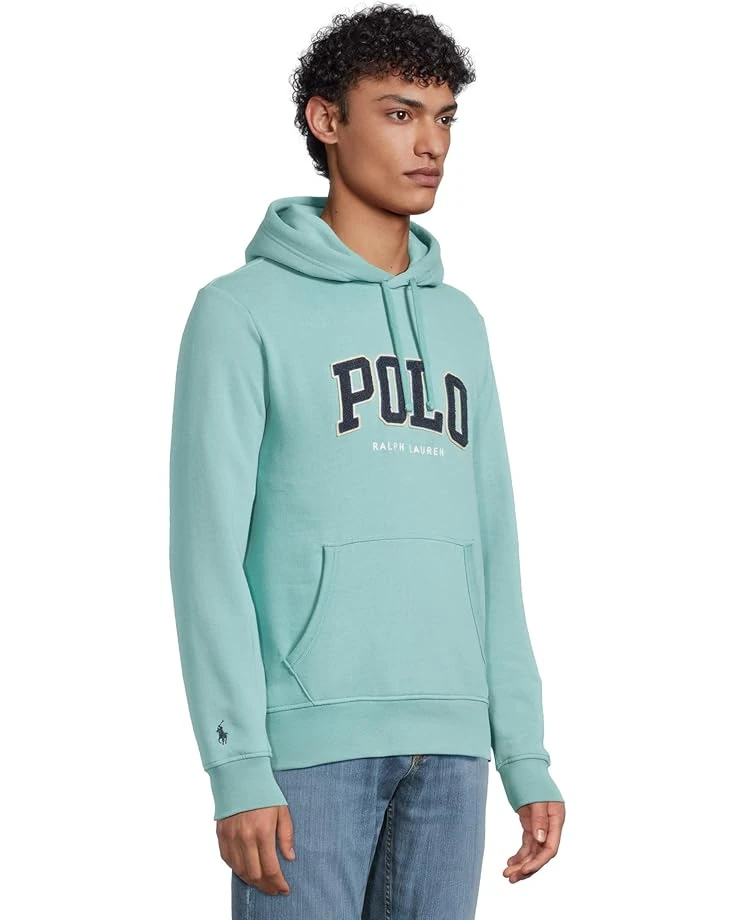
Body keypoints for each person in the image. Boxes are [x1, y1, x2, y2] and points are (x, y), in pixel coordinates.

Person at [168, 4, 566, 917]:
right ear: (327, 120)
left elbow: (494, 548)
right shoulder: (240, 312)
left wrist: (524, 750)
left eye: (444, 117)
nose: (432, 144)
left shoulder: (459, 322)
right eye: (399, 113)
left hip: (454, 748)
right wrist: (237, 762)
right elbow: (206, 556)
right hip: (307, 750)